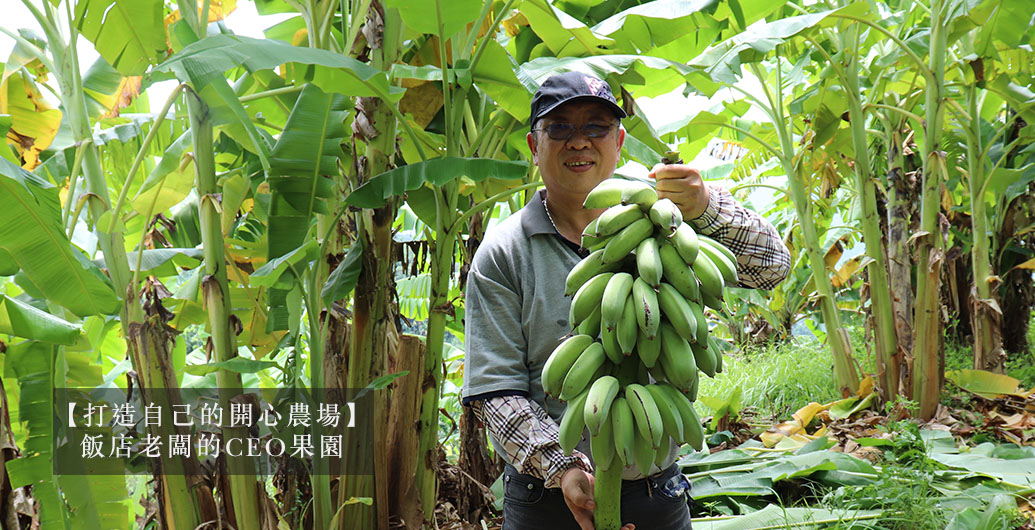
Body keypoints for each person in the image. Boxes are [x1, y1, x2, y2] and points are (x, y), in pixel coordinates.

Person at [461, 71, 791, 530]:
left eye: (595, 128)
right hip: (545, 499)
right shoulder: (505, 252)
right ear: (535, 147)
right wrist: (561, 465)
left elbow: (771, 267)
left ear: (618, 141)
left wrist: (707, 210)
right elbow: (494, 389)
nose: (579, 143)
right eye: (560, 129)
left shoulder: (668, 223)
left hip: (658, 492)